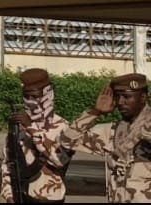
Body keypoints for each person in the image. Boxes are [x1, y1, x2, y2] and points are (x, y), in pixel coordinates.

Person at [60, 73, 151, 202]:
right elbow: (67, 140)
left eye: (126, 96)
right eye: (118, 96)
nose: (120, 102)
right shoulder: (112, 132)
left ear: (142, 97)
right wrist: (95, 112)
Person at [1, 68, 72, 203]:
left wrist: (31, 128)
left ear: (47, 94)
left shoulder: (63, 126)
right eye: (26, 97)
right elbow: (8, 164)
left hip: (51, 199)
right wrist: (8, 194)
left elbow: (59, 160)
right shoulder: (18, 127)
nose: (30, 101)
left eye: (35, 96)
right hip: (21, 197)